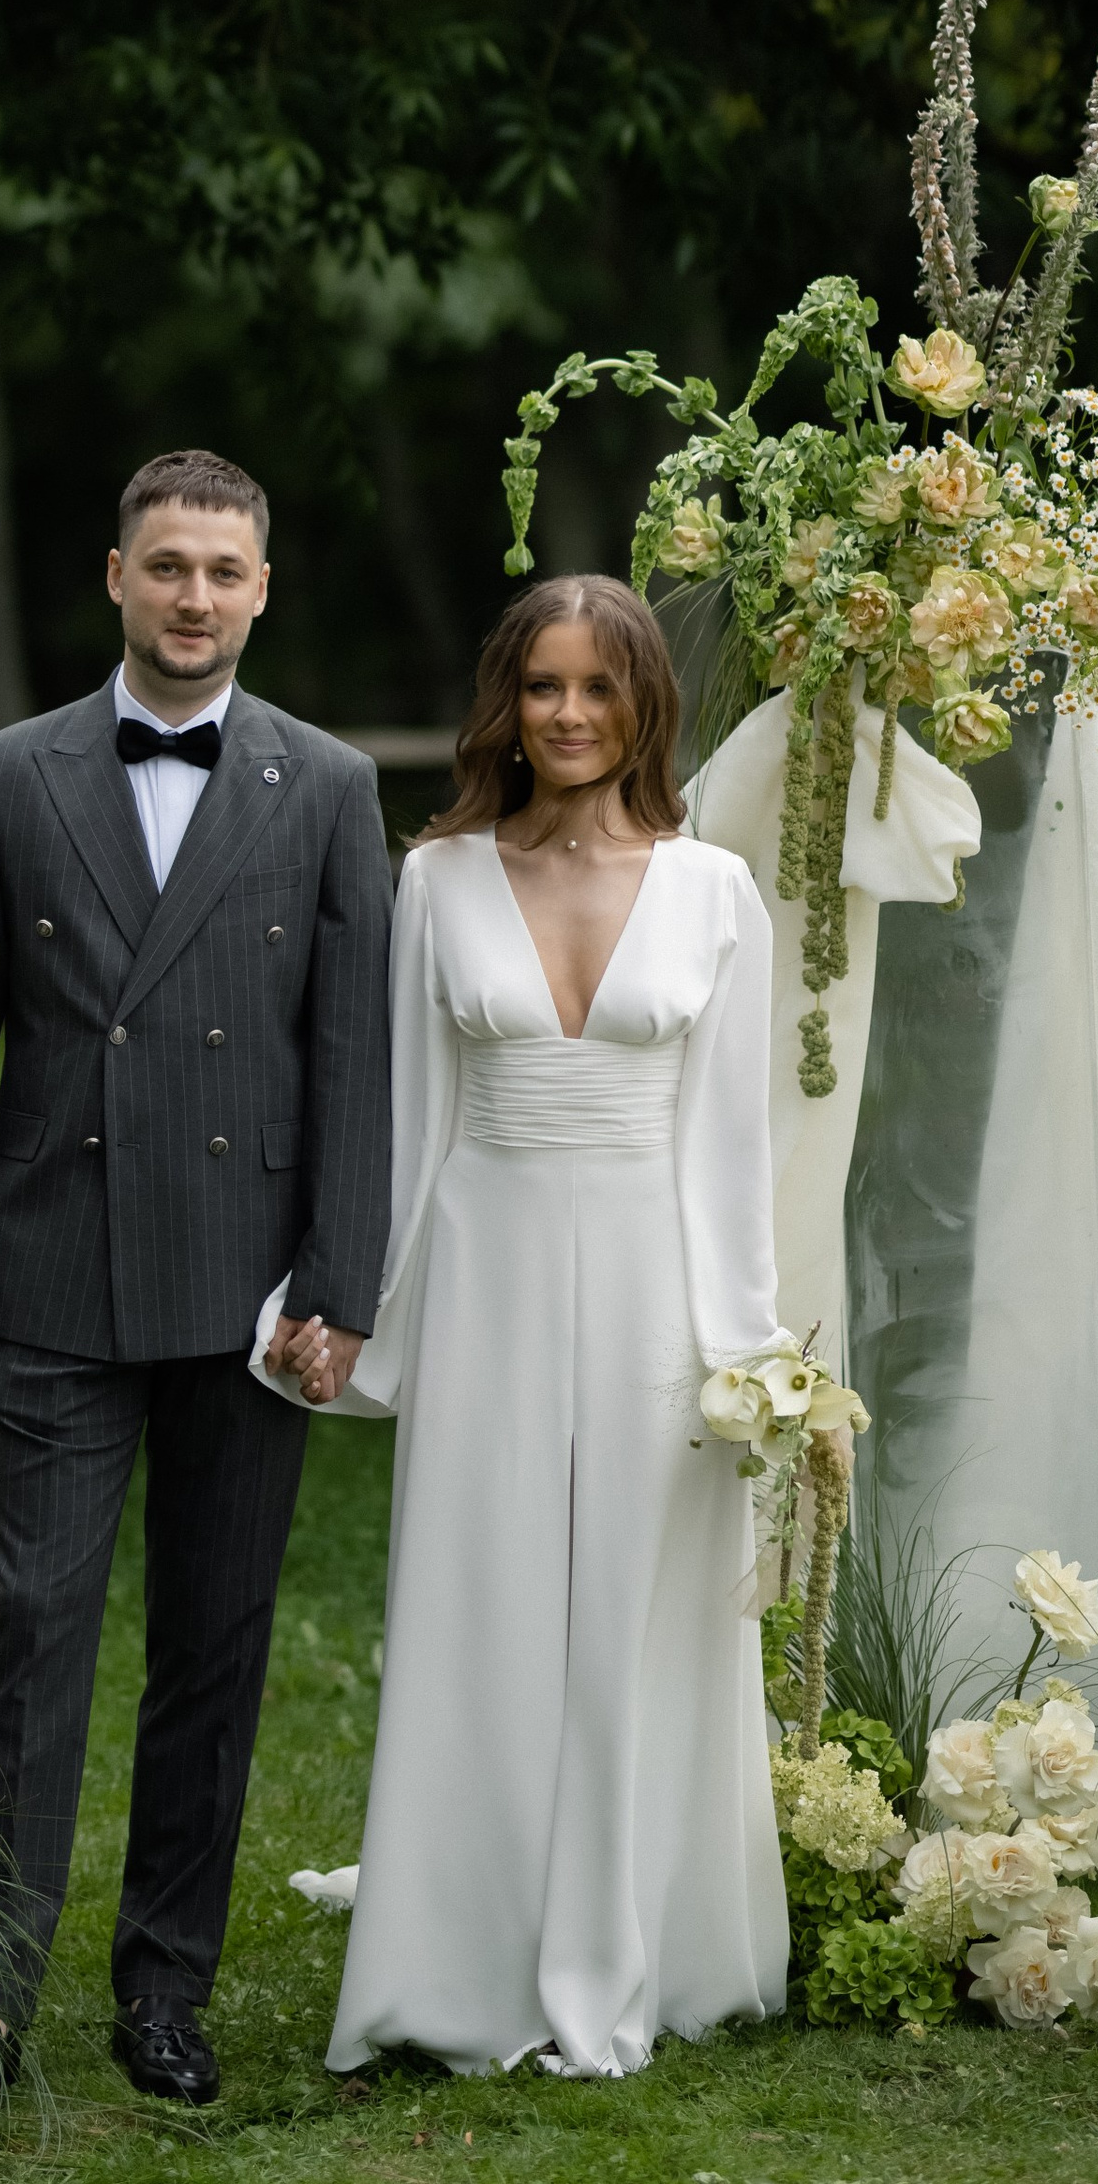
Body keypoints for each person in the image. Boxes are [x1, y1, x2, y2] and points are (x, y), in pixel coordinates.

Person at [0, 448, 394, 2108]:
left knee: (216, 1647)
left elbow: (354, 1058)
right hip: (53, 1277)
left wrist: (346, 1274)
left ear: (262, 588)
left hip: (251, 1293)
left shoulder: (324, 786)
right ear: (115, 577)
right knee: (29, 1633)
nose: (193, 596)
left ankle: (165, 1991)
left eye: (222, 571)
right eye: (165, 566)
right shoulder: (13, 775)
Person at [271, 574, 788, 2078]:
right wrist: (352, 1311)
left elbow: (731, 1143)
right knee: (479, 1598)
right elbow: (402, 1123)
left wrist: (745, 1356)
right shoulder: (434, 879)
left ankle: (647, 1938)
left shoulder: (714, 891)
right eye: (544, 686)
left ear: (644, 705)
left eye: (599, 688)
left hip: (650, 1281)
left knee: (639, 1614)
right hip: (488, 1269)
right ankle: (462, 1947)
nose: (569, 715)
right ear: (508, 700)